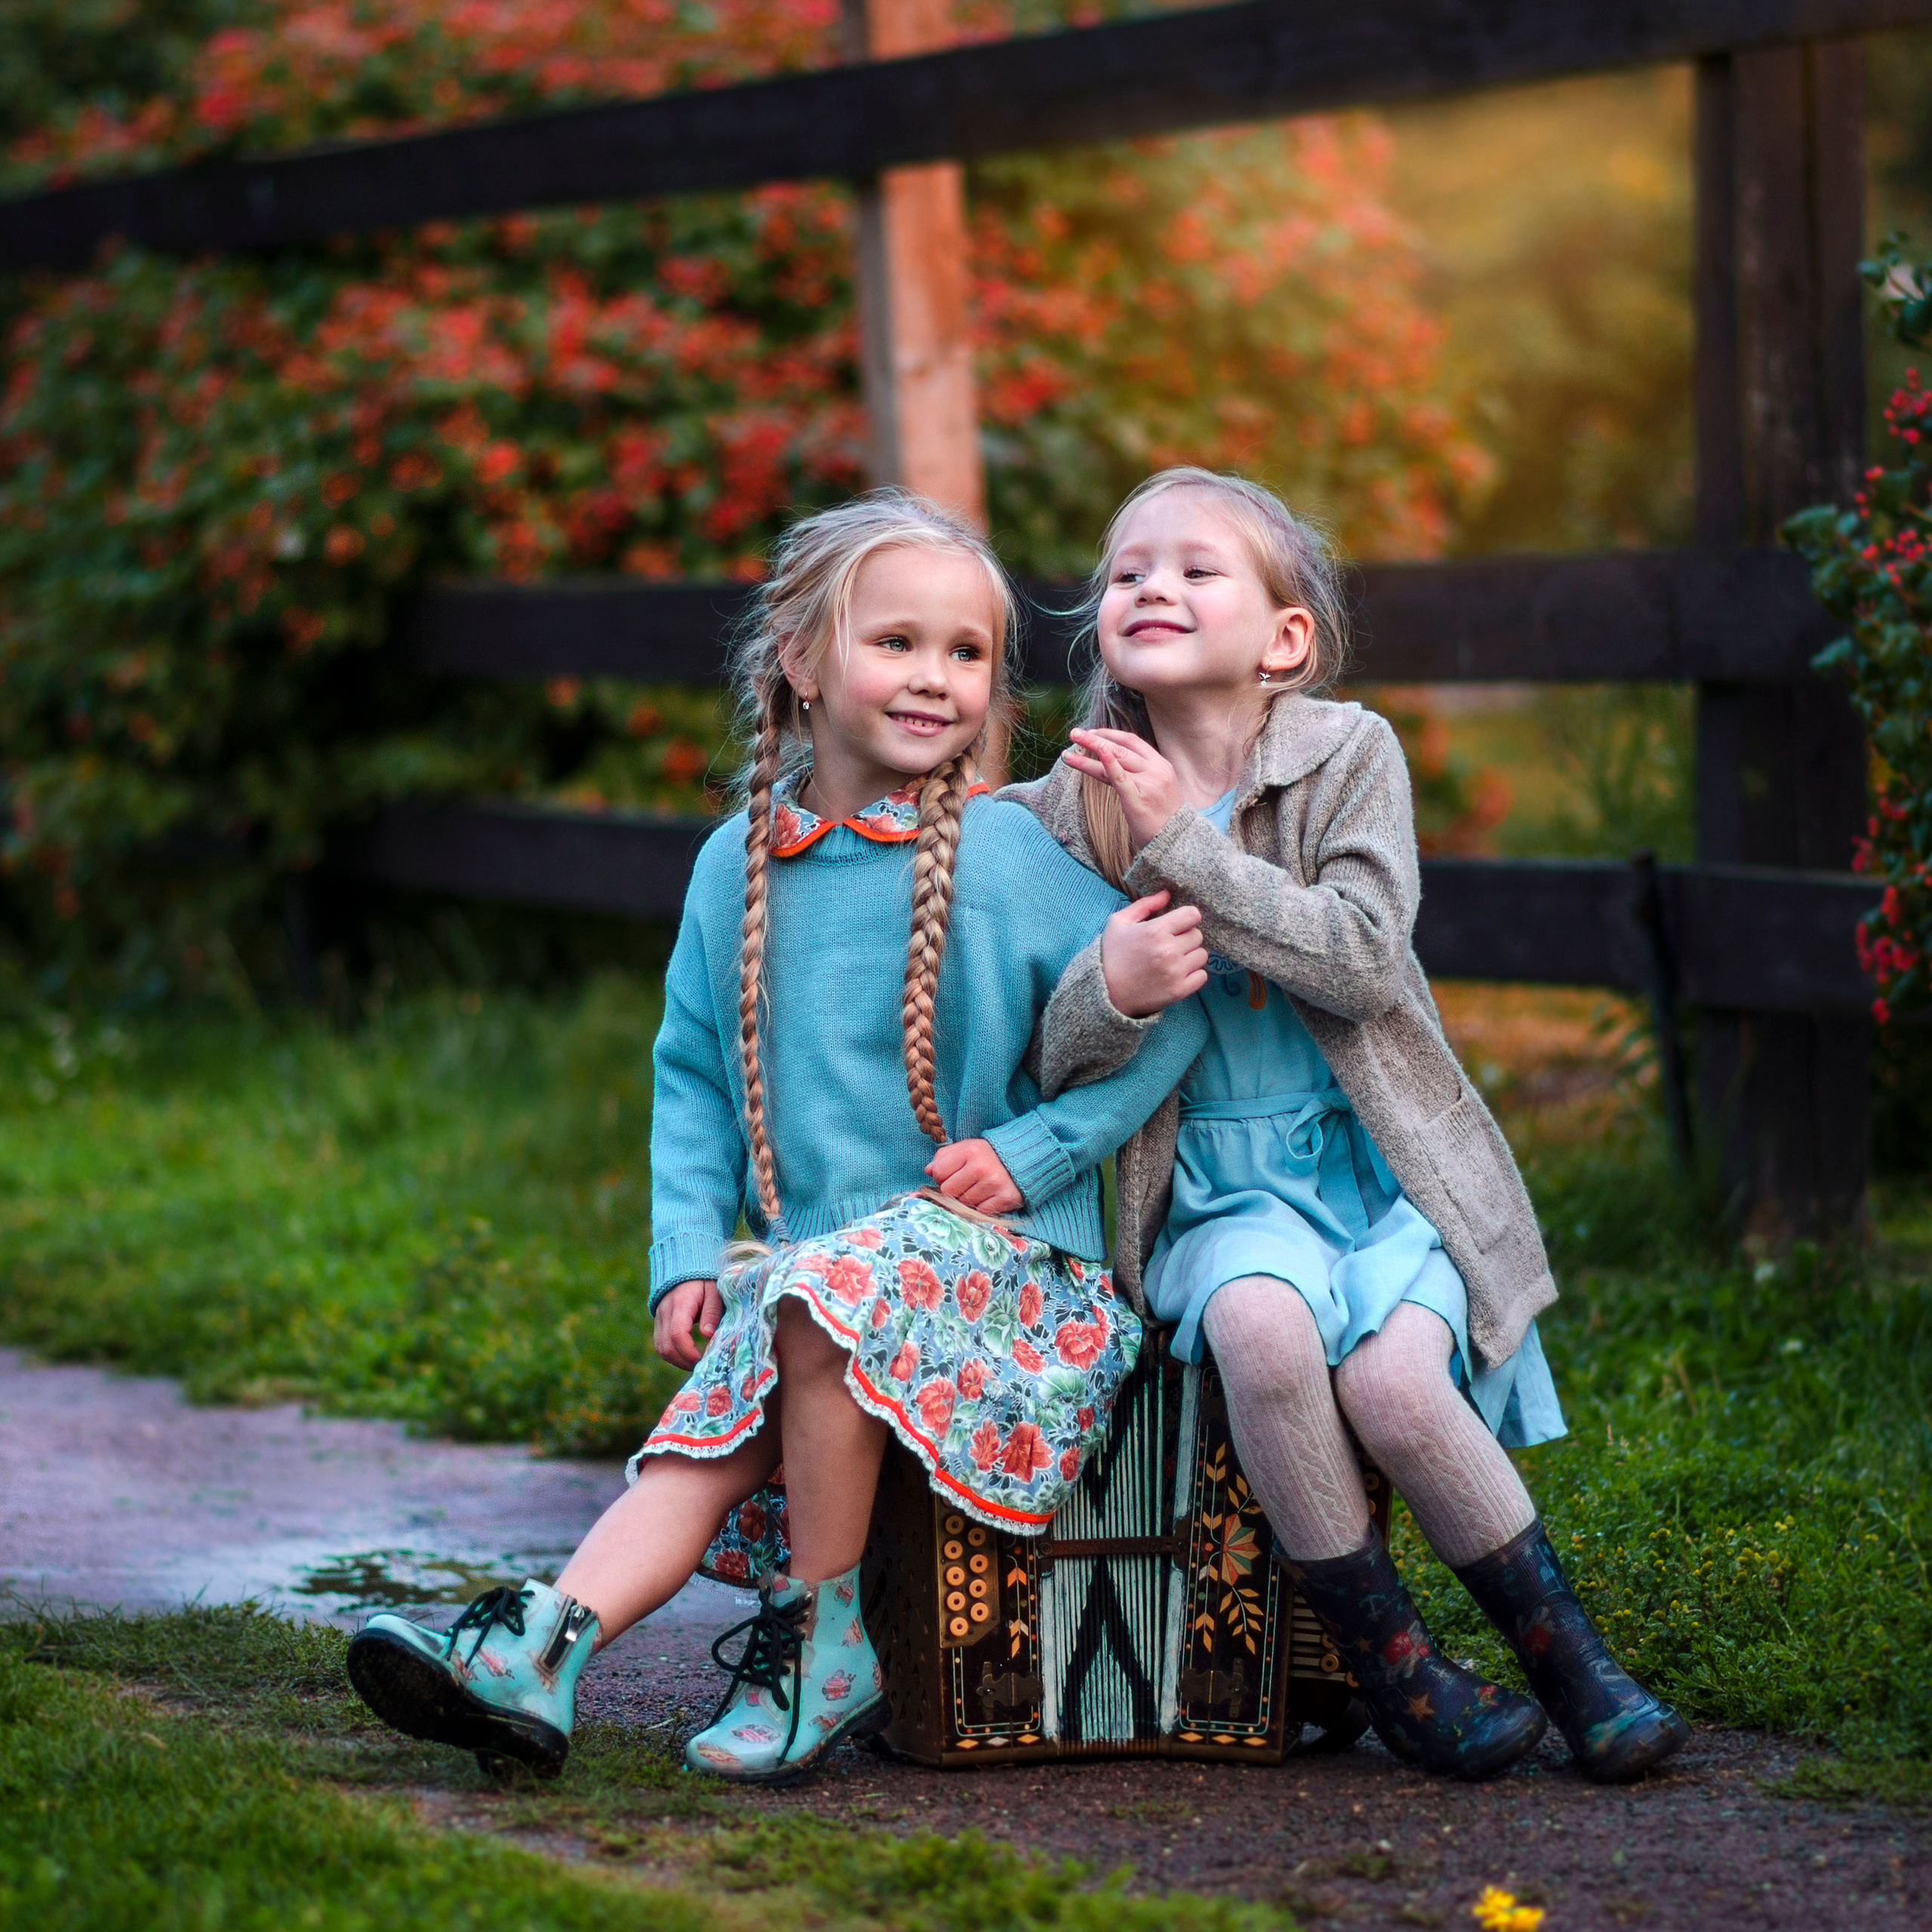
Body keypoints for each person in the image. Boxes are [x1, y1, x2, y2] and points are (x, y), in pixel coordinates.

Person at [347, 491, 1207, 1786]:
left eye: (966, 654)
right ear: (802, 662)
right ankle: (542, 1652)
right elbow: (689, 1071)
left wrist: (1032, 1156)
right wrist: (688, 1248)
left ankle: (820, 1638)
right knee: (708, 1426)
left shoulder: (1011, 856)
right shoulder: (731, 866)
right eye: (897, 644)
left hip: (1022, 1281)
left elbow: (1174, 1025)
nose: (936, 680)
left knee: (811, 1302)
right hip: (834, 1271)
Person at [1008, 466, 1688, 1783]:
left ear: (1284, 640)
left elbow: (1365, 958)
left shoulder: (1349, 755)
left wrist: (1186, 847)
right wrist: (1110, 987)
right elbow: (1050, 1050)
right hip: (1211, 1191)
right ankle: (1393, 1670)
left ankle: (1570, 1659)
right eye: (1128, 570)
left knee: (1393, 1385)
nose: (1153, 584)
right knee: (1261, 1329)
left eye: (1197, 568)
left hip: (1376, 1177)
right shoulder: (1069, 805)